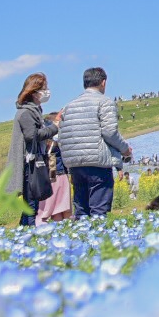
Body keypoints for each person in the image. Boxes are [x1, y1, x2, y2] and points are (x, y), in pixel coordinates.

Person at [57, 67, 132, 219]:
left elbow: (61, 135)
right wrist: (125, 150)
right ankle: (98, 240)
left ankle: (82, 240)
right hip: (98, 162)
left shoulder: (69, 105)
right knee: (99, 210)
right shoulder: (104, 102)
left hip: (75, 164)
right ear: (103, 82)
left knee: (81, 209)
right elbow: (110, 132)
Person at [8, 73, 58, 227]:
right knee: (31, 205)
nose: (47, 91)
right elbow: (32, 136)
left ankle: (24, 234)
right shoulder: (26, 112)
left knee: (32, 205)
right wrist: (54, 128)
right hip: (29, 165)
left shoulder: (33, 110)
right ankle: (28, 235)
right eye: (44, 88)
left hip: (33, 162)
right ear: (34, 92)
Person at [37, 116, 73, 224]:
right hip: (59, 175)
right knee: (65, 208)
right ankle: (68, 228)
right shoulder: (56, 143)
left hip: (48, 177)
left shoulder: (43, 145)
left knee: (55, 210)